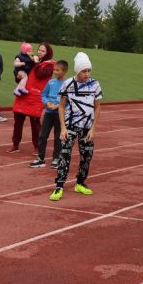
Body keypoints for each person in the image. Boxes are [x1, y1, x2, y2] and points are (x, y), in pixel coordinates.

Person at [49, 53, 103, 201]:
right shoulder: (68, 84)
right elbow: (61, 107)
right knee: (64, 155)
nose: (87, 74)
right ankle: (59, 186)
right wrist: (63, 128)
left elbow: (97, 107)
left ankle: (80, 182)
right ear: (77, 71)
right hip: (70, 125)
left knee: (87, 156)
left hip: (87, 128)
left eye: (88, 71)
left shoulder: (95, 85)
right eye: (83, 71)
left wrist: (93, 128)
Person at [10, 42, 54, 154]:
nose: (39, 52)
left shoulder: (49, 65)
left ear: (47, 53)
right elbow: (21, 75)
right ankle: (15, 144)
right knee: (18, 121)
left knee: (35, 123)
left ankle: (37, 146)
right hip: (23, 95)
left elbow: (39, 74)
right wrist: (18, 76)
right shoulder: (31, 61)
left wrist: (36, 62)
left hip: (36, 97)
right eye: (39, 50)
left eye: (43, 51)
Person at [29, 59, 68, 169]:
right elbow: (43, 95)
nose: (55, 72)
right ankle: (41, 159)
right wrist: (47, 103)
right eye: (54, 70)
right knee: (42, 135)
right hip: (48, 113)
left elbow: (69, 100)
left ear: (65, 71)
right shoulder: (51, 82)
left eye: (57, 70)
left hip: (59, 114)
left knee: (58, 137)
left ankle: (56, 158)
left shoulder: (68, 84)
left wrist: (59, 106)